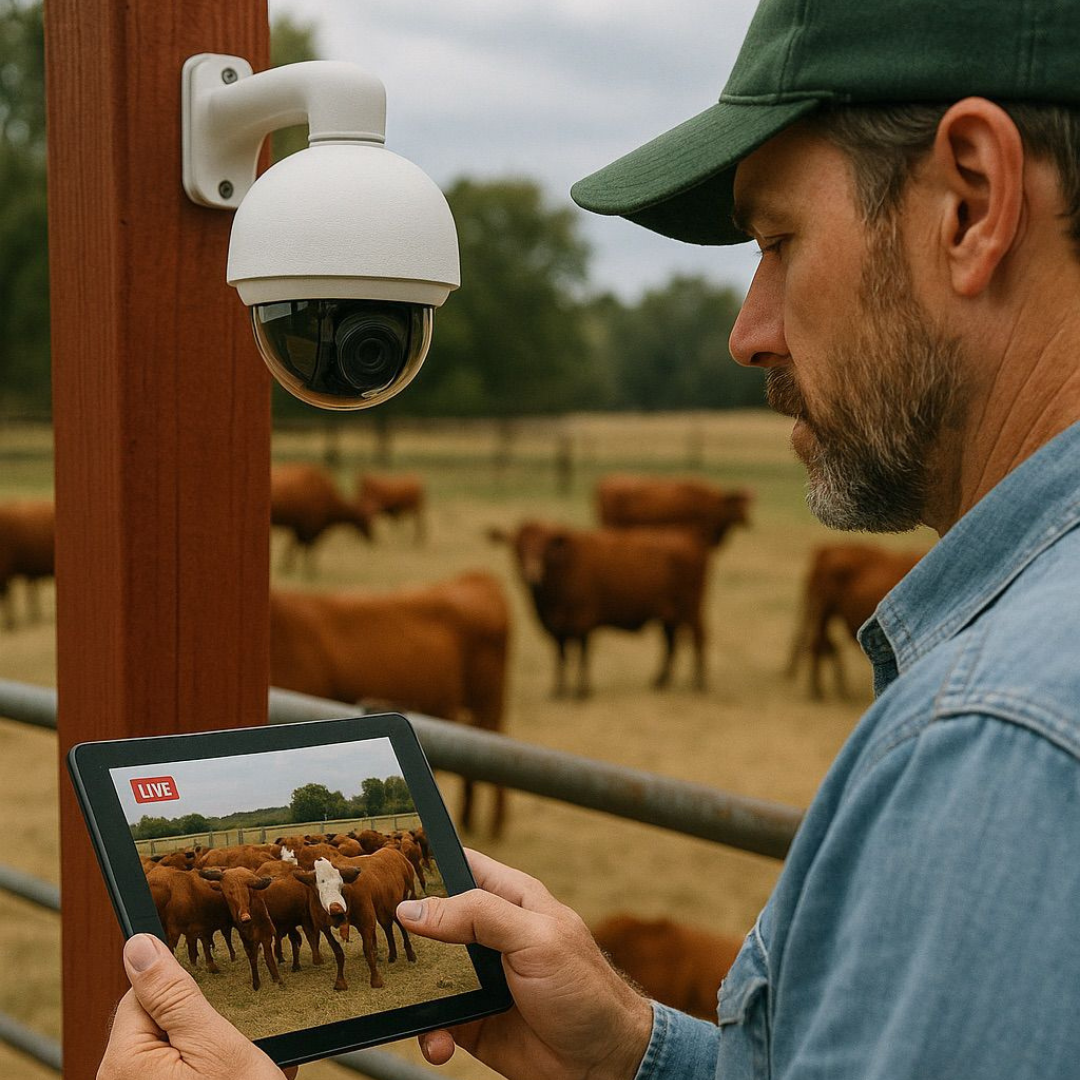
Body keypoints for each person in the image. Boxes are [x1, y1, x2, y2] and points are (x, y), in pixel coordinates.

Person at [100, 0, 1080, 1076]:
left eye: (777, 241)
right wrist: (630, 1053)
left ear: (970, 203)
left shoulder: (998, 742)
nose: (747, 331)